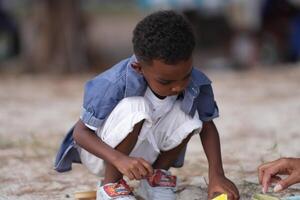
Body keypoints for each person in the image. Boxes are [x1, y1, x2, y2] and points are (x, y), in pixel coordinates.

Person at [54, 10, 239, 200]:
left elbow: (207, 127)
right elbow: (81, 133)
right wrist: (119, 160)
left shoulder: (197, 83)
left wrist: (217, 175)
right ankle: (111, 186)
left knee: (192, 115)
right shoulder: (114, 82)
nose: (178, 86)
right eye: (165, 82)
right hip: (103, 154)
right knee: (137, 107)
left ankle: (154, 179)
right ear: (139, 68)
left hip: (146, 155)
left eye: (186, 75)